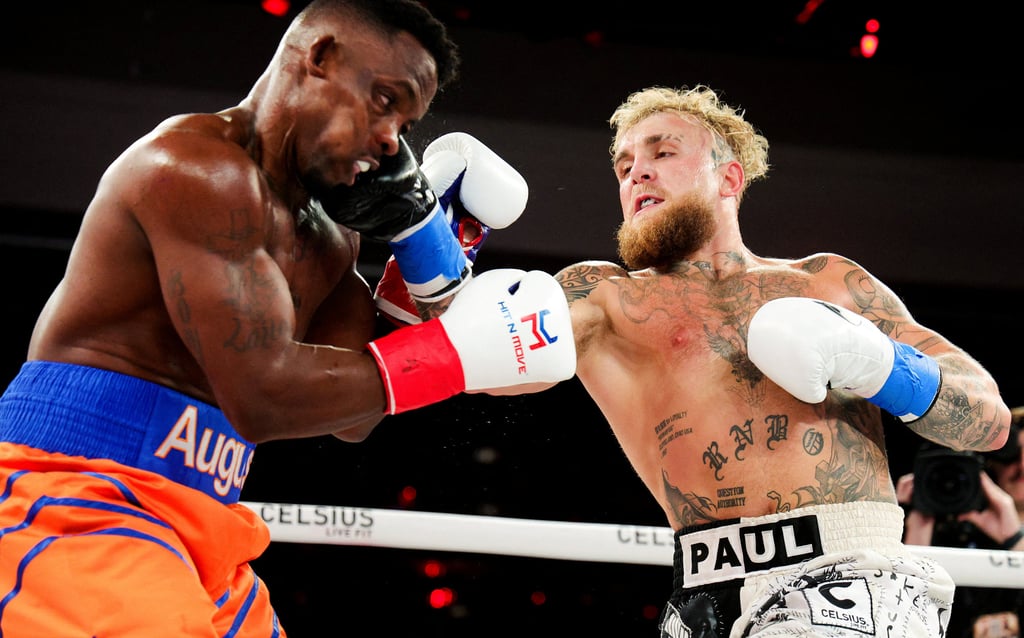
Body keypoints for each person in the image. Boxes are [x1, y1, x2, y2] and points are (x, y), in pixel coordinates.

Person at [0, 1, 575, 636]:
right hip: (76, 496)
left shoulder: (332, 233)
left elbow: (354, 419)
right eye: (385, 101)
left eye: (406, 121)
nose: (392, 140)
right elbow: (264, 397)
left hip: (208, 519)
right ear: (319, 57)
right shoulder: (196, 172)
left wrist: (415, 265)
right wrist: (452, 354)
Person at [379, 84, 1012, 637]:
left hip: (849, 577)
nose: (637, 174)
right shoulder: (603, 298)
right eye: (624, 165)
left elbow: (986, 419)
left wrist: (881, 365)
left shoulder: (828, 282)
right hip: (702, 596)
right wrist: (426, 236)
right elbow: (472, 351)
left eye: (661, 152)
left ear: (729, 178)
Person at [897, 407, 1024, 638]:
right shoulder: (944, 529)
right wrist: (913, 528)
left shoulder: (1011, 534)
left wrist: (1016, 540)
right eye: (1013, 456)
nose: (1023, 467)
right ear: (992, 461)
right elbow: (899, 621)